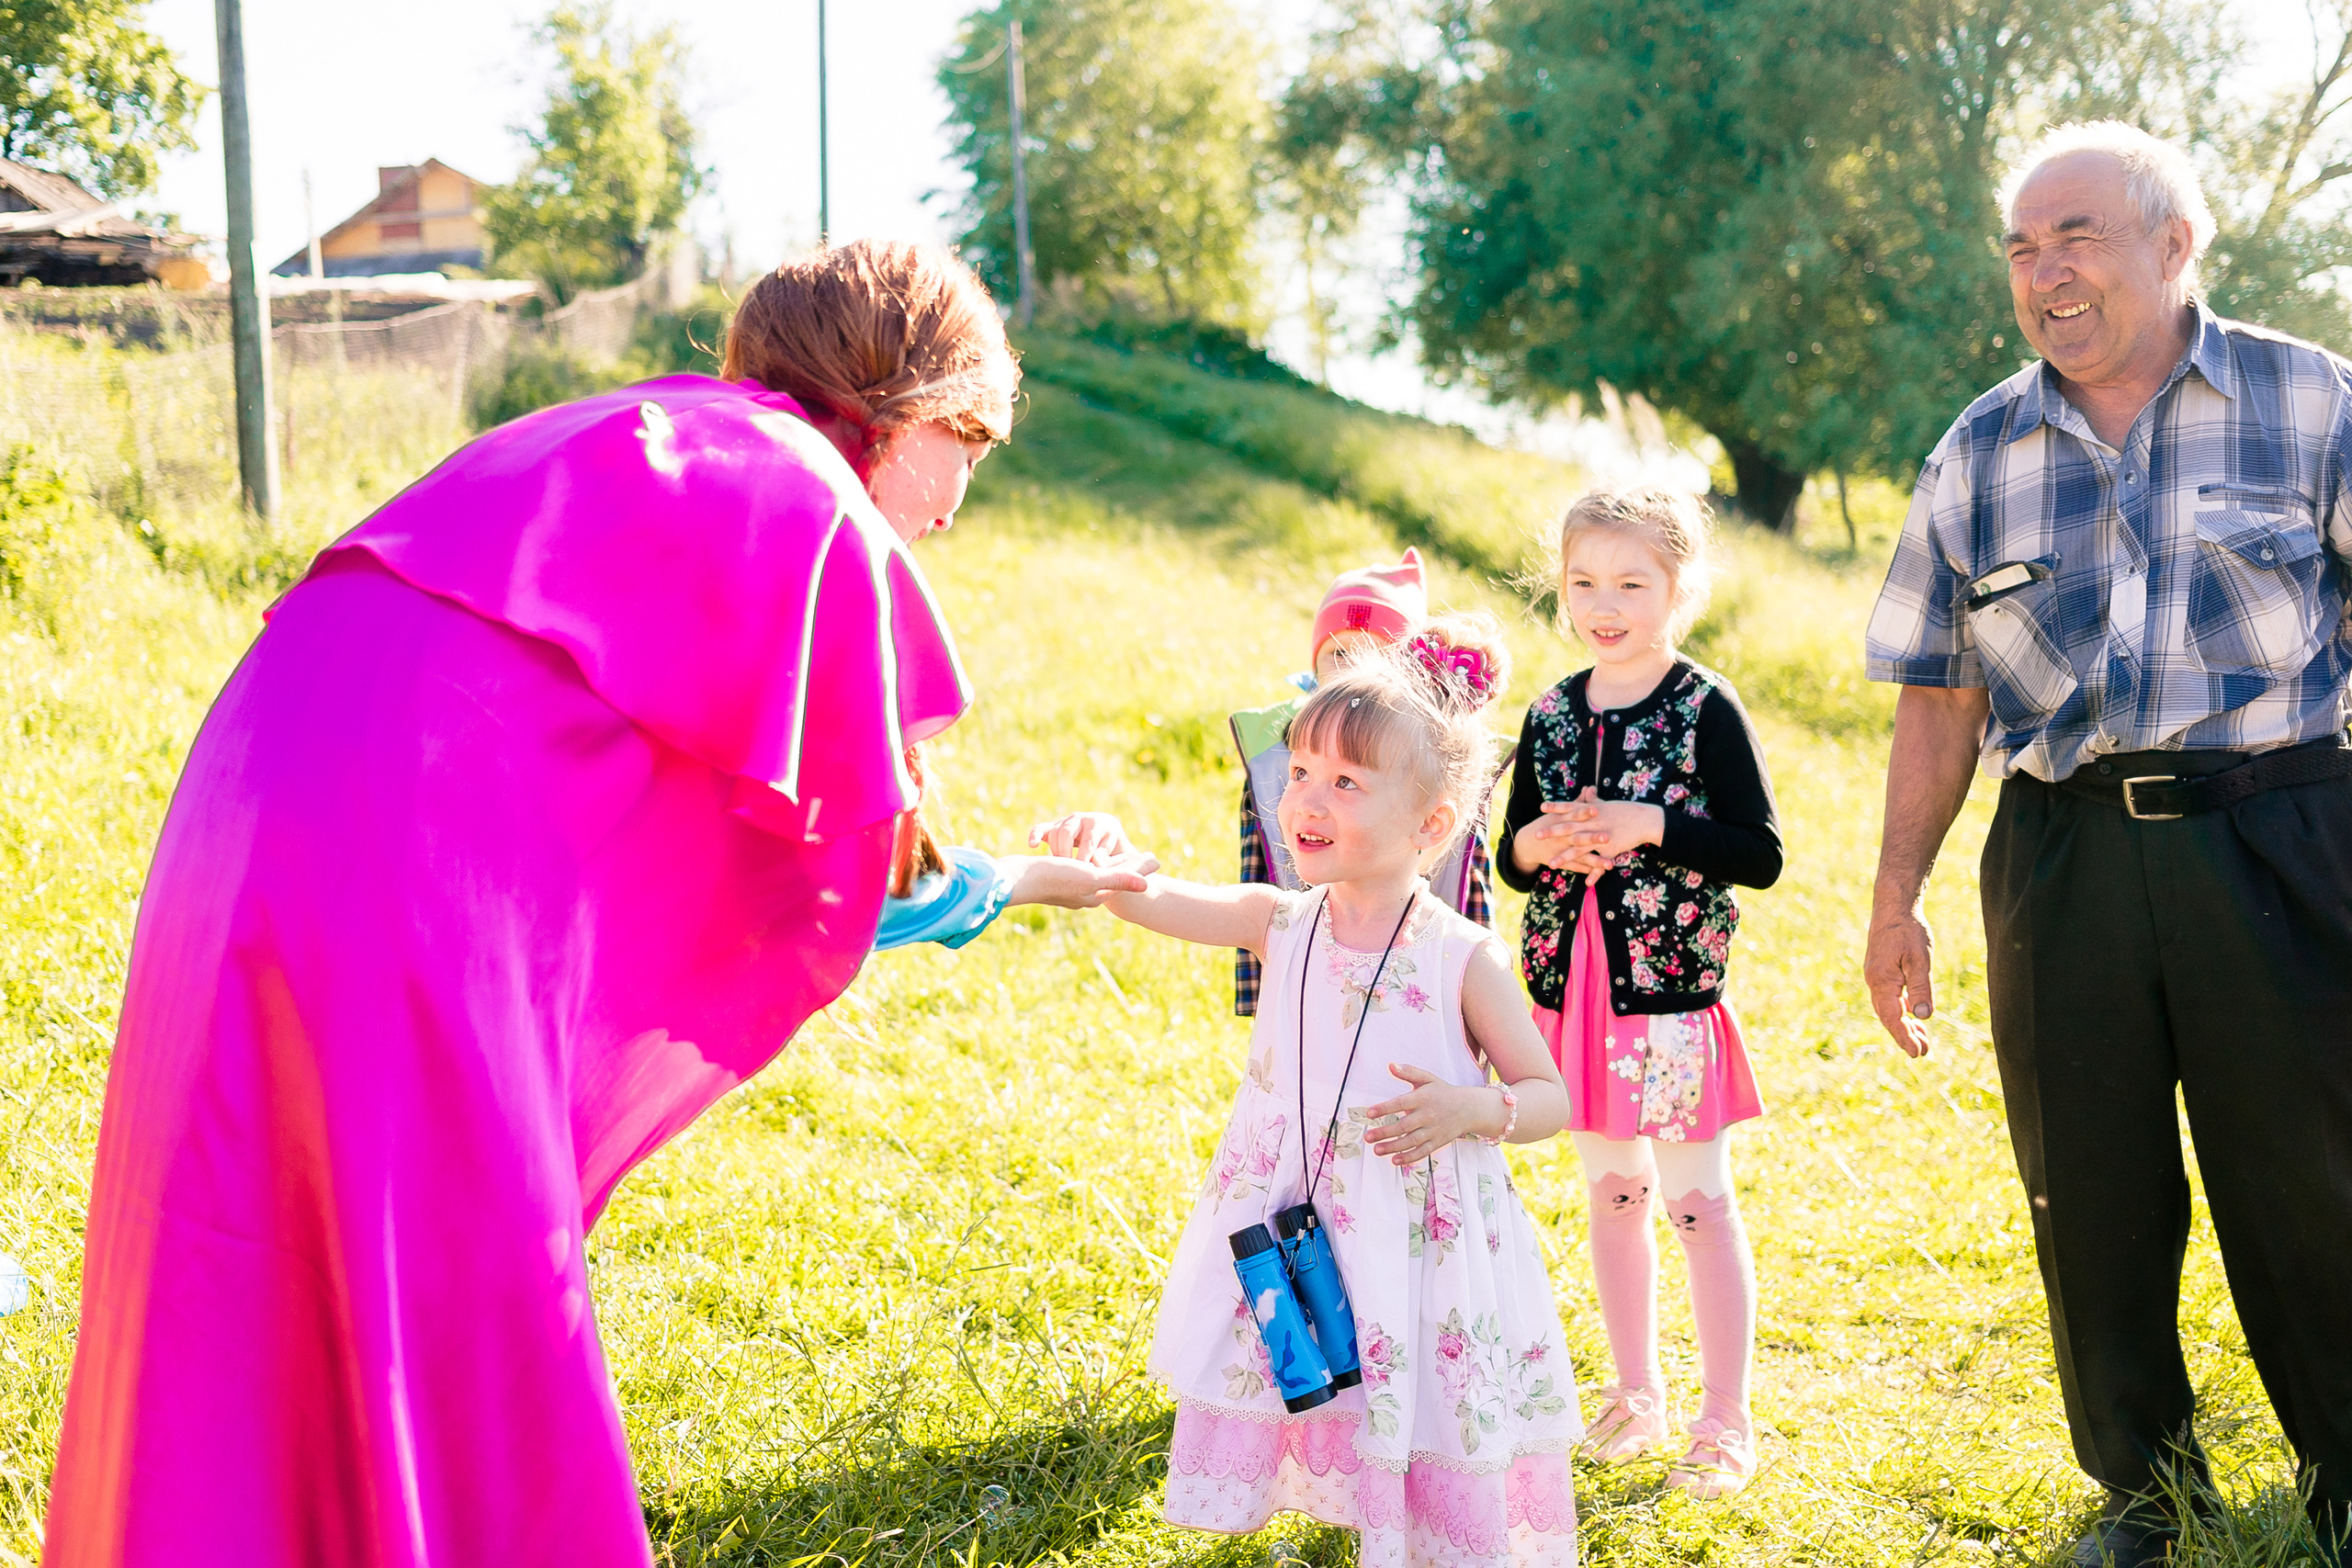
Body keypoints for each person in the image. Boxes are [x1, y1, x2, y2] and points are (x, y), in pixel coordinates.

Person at [42, 241, 1145, 1568]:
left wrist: (1018, 879)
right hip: (403, 885)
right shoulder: (810, 505)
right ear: (900, 412)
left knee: (248, 1258)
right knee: (466, 1300)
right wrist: (1031, 878)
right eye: (969, 438)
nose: (962, 496)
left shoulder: (628, 432)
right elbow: (850, 876)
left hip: (237, 820)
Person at [1861, 121, 2352, 1568]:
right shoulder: (1980, 446)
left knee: (2313, 1170)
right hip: (2063, 851)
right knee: (2088, 1179)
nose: (2045, 272)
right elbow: (1940, 693)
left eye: (2076, 235)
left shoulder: (2314, 400)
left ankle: (2349, 1472)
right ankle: (2146, 1489)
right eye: (2022, 247)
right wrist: (1897, 893)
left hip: (2285, 833)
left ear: (2173, 242)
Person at [1093, 635, 1581, 1565]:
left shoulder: (1459, 956)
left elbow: (1547, 1096)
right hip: (1297, 1211)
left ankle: (1410, 1521)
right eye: (1302, 770)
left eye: (1346, 784)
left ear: (1431, 825)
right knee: (1312, 1364)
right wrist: (1106, 859)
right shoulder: (1277, 920)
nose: (1306, 799)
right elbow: (1147, 898)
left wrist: (1474, 1110)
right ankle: (1327, 1494)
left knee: (1408, 1378)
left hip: (1413, 1231)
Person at [1497, 486, 1782, 1498]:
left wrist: (1650, 825)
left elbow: (1759, 853)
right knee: (1612, 1193)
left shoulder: (1703, 705)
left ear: (1678, 588)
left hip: (1665, 1001)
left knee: (1697, 1201)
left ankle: (1724, 1419)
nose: (1603, 603)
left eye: (1630, 583)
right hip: (1571, 999)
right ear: (1560, 585)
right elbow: (1513, 857)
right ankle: (1635, 1395)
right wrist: (1533, 844)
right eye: (1582, 583)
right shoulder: (1549, 713)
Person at [1227, 550, 1505, 1014]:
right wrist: (1261, 988)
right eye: (1338, 652)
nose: (1352, 668)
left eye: (1373, 653)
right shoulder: (1274, 750)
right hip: (1306, 961)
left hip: (1411, 969)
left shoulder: (1438, 763)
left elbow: (1469, 881)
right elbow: (1255, 868)